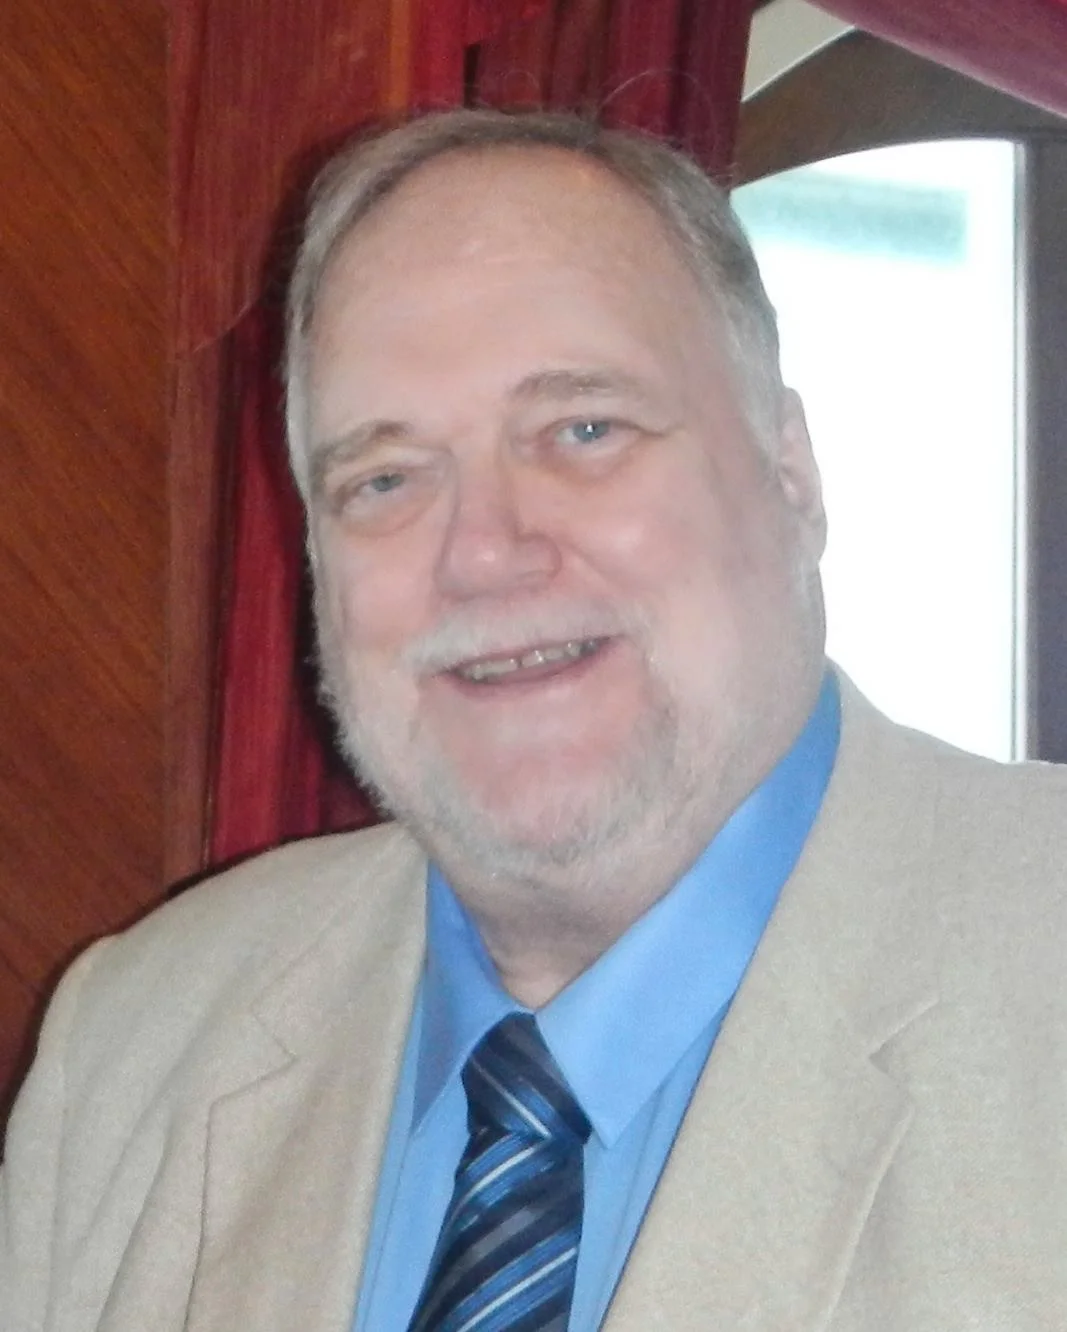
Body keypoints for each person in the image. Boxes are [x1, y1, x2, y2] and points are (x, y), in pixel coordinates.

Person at [2, 108, 1065, 1332]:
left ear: (790, 472)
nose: (483, 552)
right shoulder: (136, 1041)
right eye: (383, 479)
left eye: (582, 431)